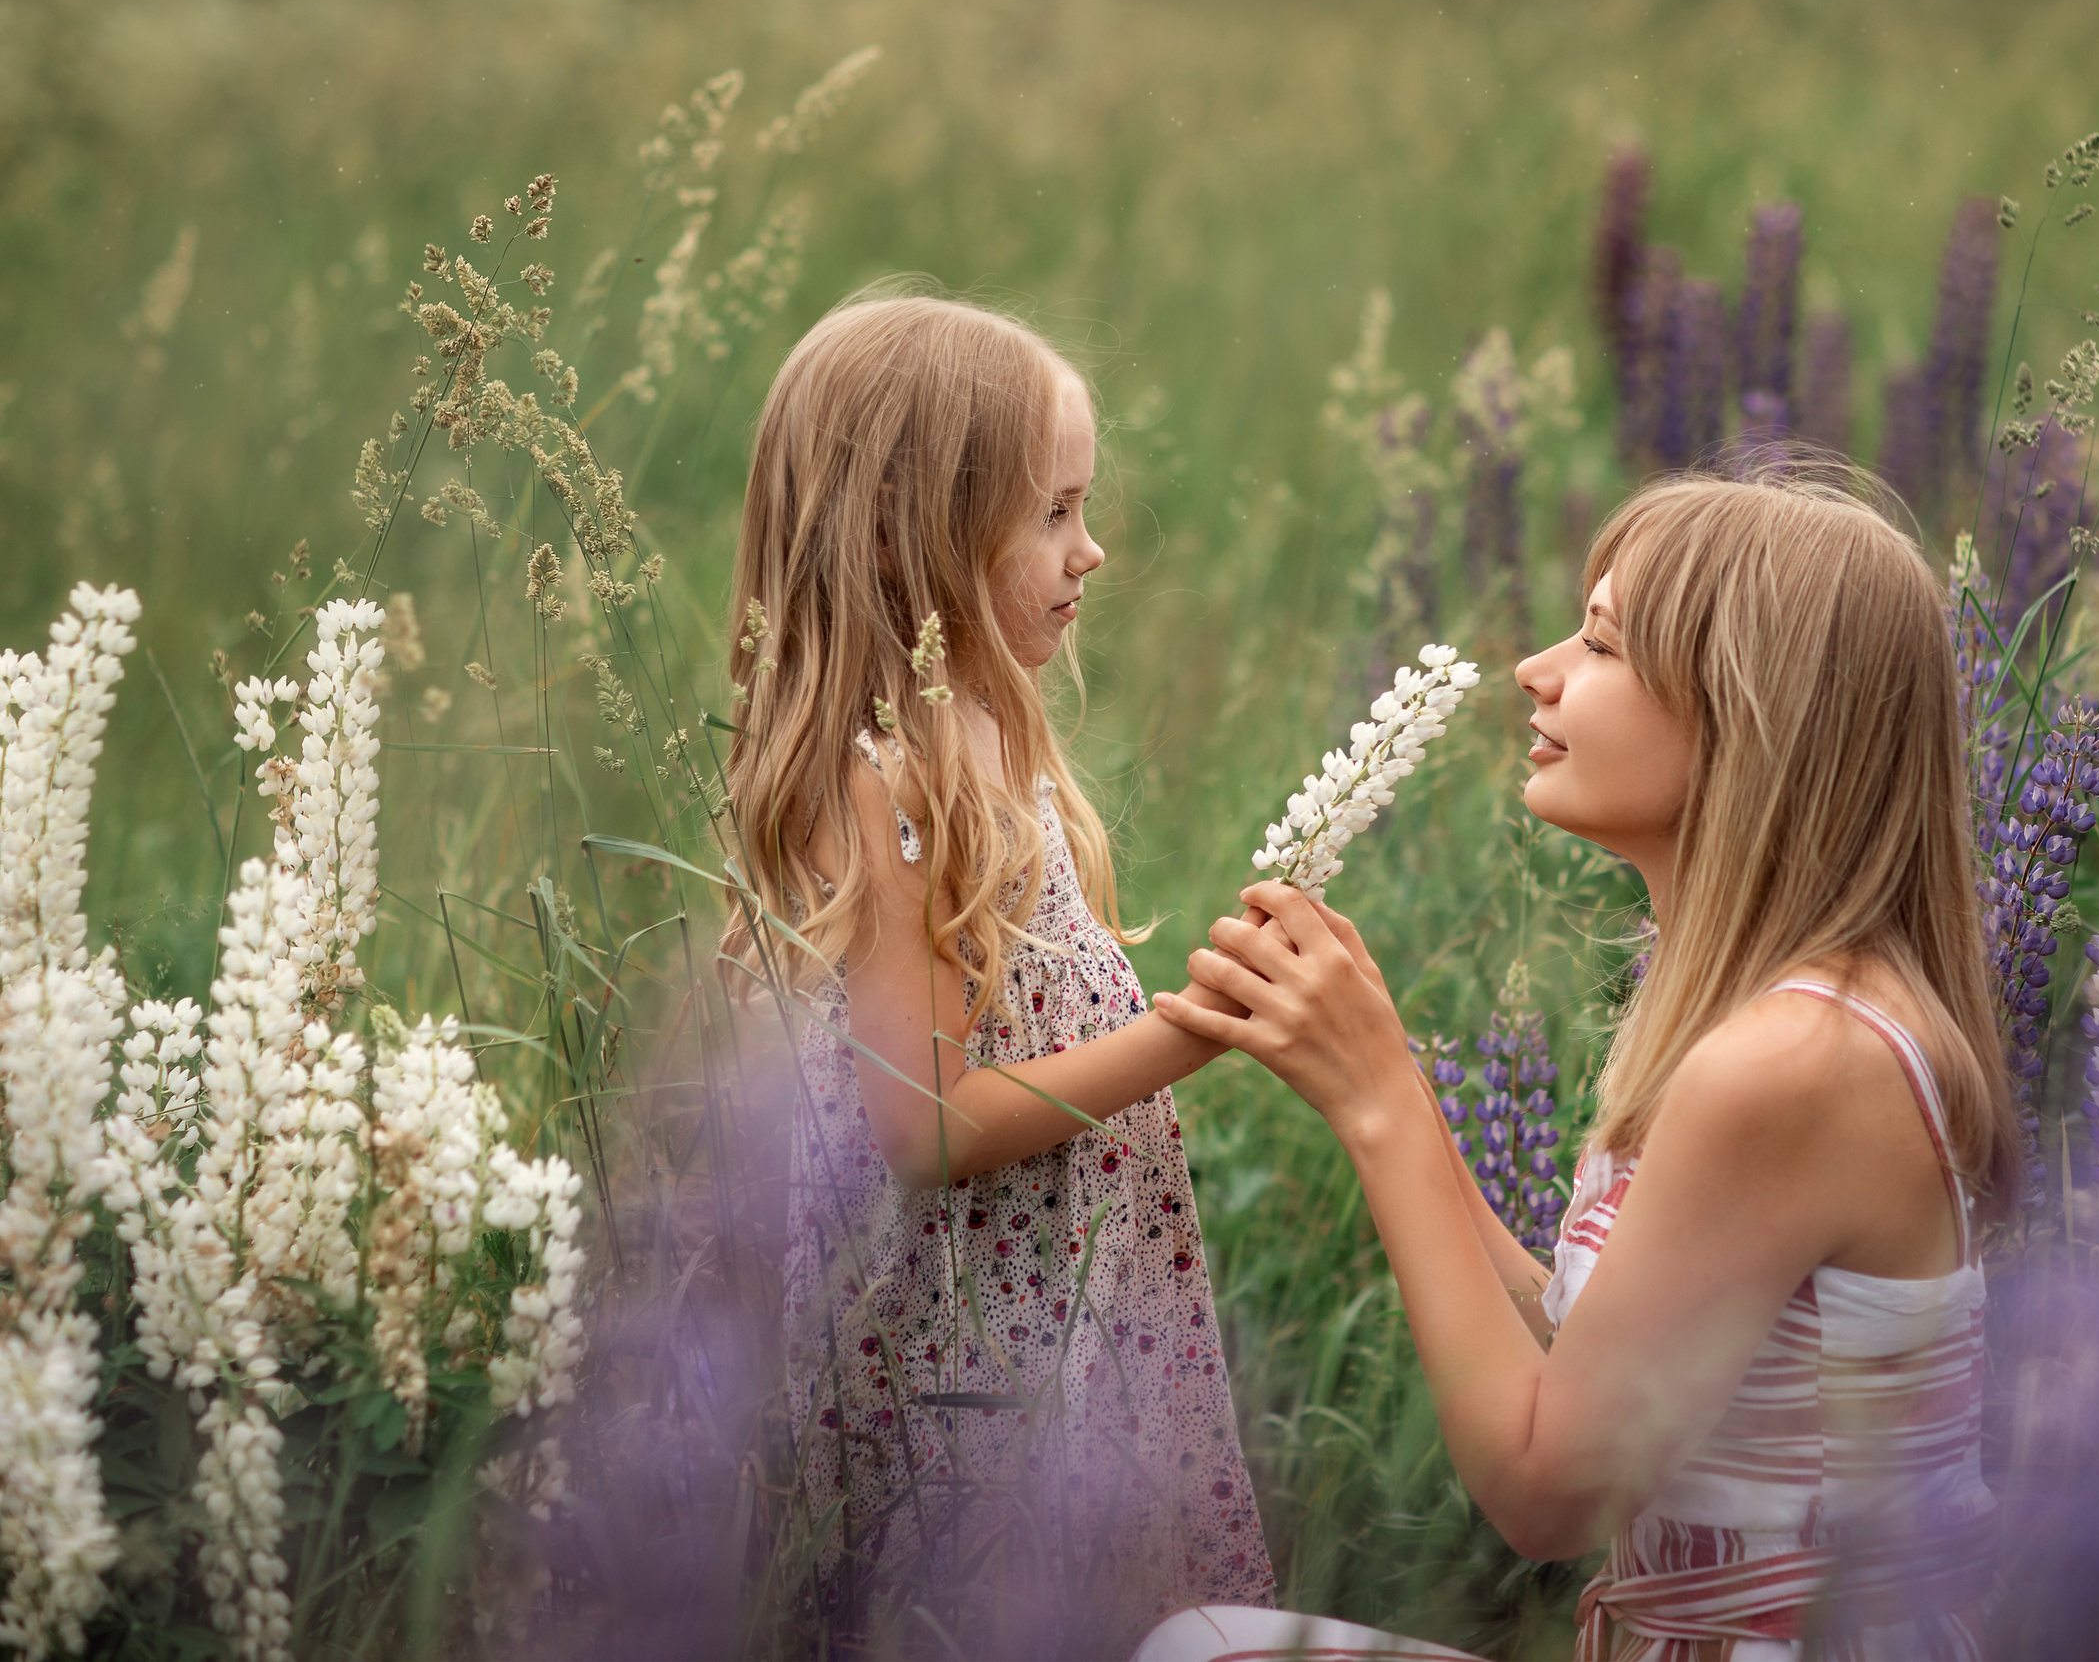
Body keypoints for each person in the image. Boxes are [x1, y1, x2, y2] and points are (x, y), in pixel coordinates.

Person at [1144, 469, 2011, 1661]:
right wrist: (1380, 1070)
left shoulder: (1797, 1062)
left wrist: (1384, 1105)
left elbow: (1548, 1493)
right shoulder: (1758, 1010)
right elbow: (1592, 1358)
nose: (1535, 670)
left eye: (1599, 644)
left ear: (1745, 714)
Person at [722, 292, 1276, 1658]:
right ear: (919, 524)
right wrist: (1190, 1032)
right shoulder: (888, 780)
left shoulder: (991, 745)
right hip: (968, 1375)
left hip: (1063, 1326)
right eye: (1055, 513)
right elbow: (927, 1120)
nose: (1094, 548)